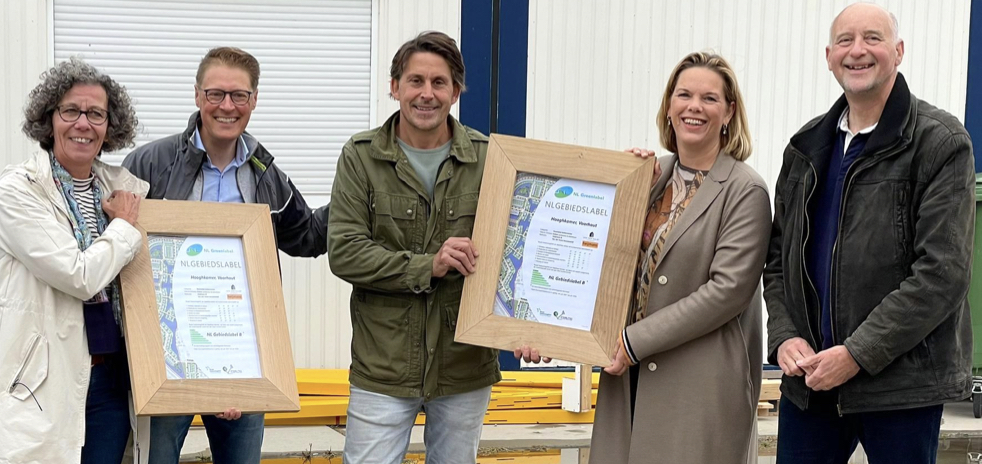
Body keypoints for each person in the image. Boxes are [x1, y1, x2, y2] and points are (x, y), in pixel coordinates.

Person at [518, 51, 771, 463]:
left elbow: (728, 291)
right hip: (628, 380)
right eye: (684, 94)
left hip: (697, 386)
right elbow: (597, 262)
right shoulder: (647, 179)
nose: (694, 106)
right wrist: (548, 329)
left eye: (709, 98)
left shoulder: (744, 190)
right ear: (669, 106)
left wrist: (633, 343)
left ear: (729, 112)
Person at [765, 4, 975, 463]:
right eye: (845, 41)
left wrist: (857, 353)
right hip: (811, 384)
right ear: (828, 56)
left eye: (873, 38)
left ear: (898, 52)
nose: (857, 50)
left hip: (902, 390)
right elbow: (778, 258)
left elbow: (942, 274)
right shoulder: (805, 147)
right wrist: (784, 336)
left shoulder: (940, 143)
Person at [123, 46, 327, 464]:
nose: (227, 106)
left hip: (244, 355)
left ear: (254, 100)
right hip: (166, 359)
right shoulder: (150, 164)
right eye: (216, 94)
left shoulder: (267, 174)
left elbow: (305, 236)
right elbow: (117, 251)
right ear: (197, 95)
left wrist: (358, 194)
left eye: (239, 95)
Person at [327, 31, 500, 463]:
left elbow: (521, 248)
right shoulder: (361, 157)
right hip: (383, 366)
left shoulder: (490, 159)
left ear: (456, 91)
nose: (427, 94)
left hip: (463, 365)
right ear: (394, 87)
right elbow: (344, 250)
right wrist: (429, 265)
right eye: (415, 81)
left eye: (439, 83)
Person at [0, 58, 149, 463]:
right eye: (71, 111)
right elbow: (79, 274)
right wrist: (122, 229)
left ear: (109, 125)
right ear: (49, 119)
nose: (83, 124)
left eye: (96, 114)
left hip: (110, 377)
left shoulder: (124, 191)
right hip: (41, 380)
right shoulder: (19, 189)